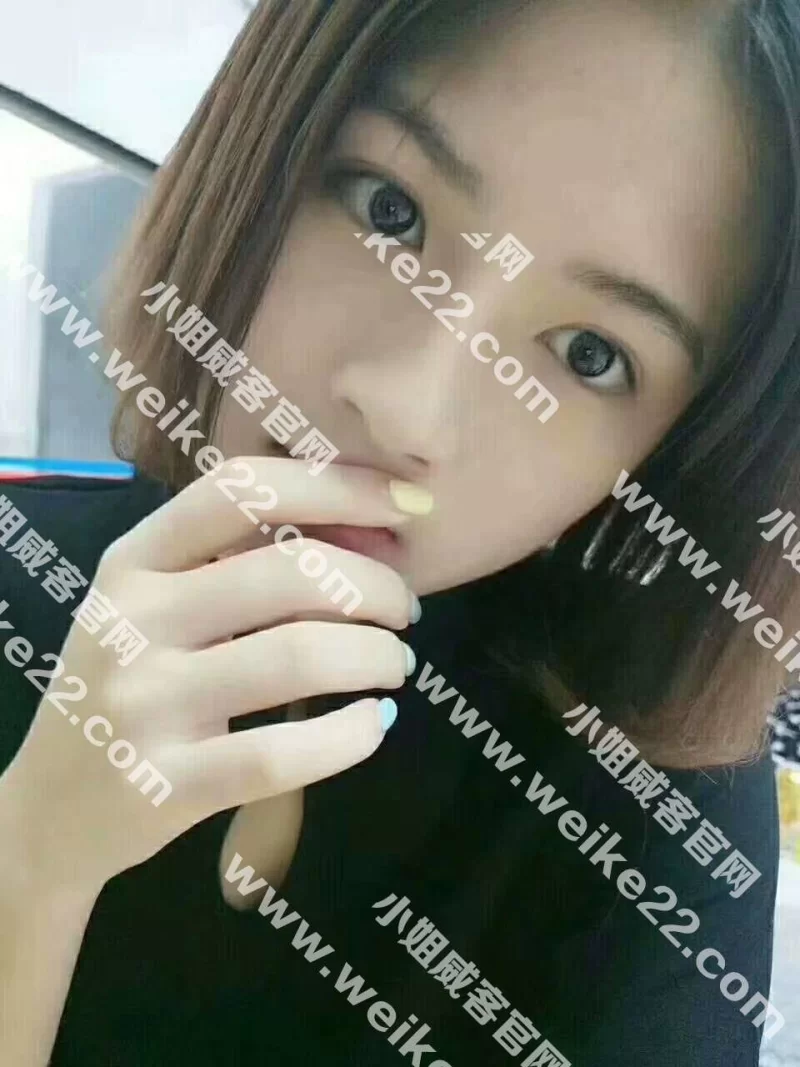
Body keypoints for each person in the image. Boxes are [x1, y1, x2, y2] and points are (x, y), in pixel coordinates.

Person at [2, 0, 799, 1062]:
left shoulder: (644, 799)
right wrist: (33, 860)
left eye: (589, 353)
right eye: (389, 209)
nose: (404, 411)